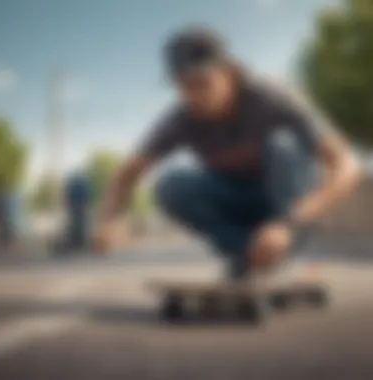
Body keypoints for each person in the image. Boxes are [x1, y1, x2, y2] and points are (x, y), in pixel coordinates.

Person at [93, 27, 362, 281]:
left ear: (230, 74)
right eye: (182, 86)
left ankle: (280, 246)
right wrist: (110, 220)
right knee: (170, 185)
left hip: (287, 201)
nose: (193, 96)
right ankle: (246, 253)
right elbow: (127, 173)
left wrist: (290, 222)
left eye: (201, 83)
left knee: (284, 144)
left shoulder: (272, 98)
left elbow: (347, 166)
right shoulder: (181, 118)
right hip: (237, 200)